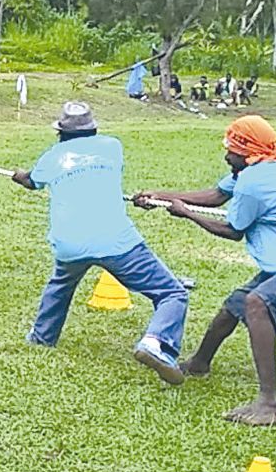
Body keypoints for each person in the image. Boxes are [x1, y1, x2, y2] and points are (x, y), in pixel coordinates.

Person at [134, 115, 276, 426]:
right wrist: (160, 196)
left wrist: (187, 214)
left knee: (256, 304)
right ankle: (199, 363)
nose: (226, 156)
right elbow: (215, 196)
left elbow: (232, 230)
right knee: (233, 306)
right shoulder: (273, 162)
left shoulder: (253, 181)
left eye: (232, 150)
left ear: (248, 152)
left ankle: (268, 404)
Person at [12, 101, 188, 382]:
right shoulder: (112, 146)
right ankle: (155, 343)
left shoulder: (52, 156)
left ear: (61, 133)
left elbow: (32, 181)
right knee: (172, 293)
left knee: (61, 284)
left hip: (70, 243)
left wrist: (20, 176)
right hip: (116, 240)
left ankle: (42, 337)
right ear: (93, 129)